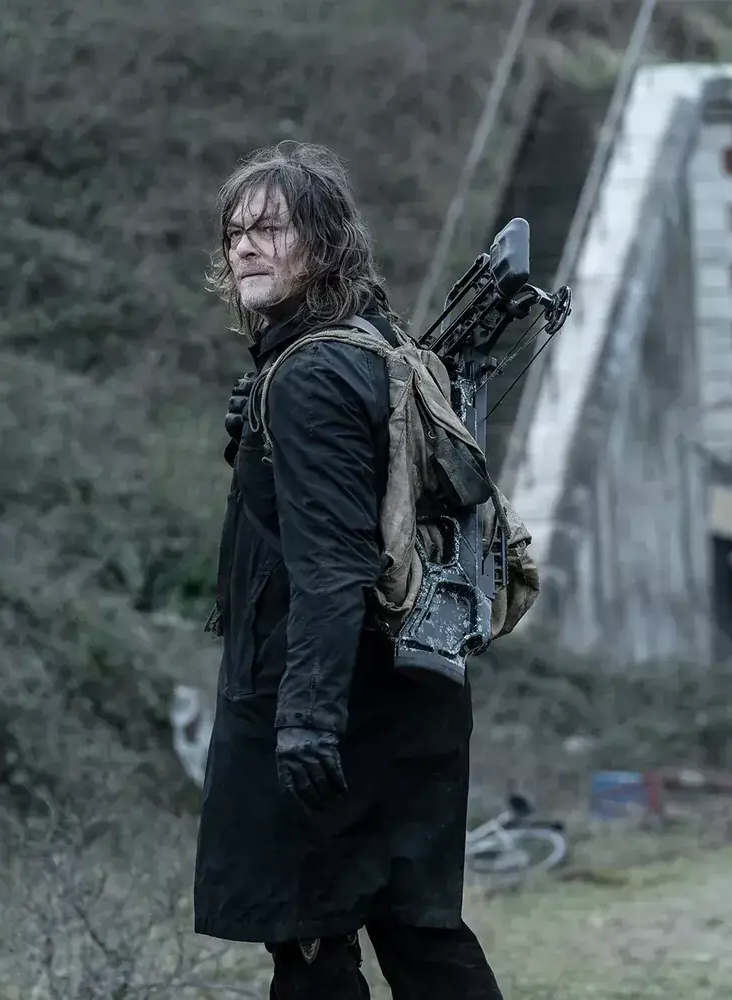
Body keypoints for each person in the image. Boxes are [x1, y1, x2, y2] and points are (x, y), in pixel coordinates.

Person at [194, 142, 505, 1000]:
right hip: (411, 688)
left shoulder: (312, 376)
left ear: (324, 242)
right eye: (235, 233)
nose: (245, 247)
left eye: (270, 229)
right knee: (419, 933)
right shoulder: (378, 346)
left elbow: (332, 564)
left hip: (334, 705)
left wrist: (307, 723)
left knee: (311, 945)